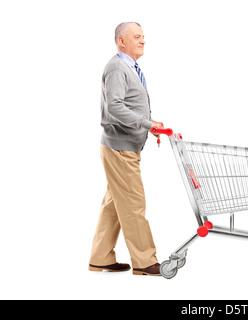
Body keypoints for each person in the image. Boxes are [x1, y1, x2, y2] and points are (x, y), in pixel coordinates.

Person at [88, 22, 163, 276]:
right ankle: (144, 261)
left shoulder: (128, 67)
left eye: (144, 37)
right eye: (137, 37)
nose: (143, 41)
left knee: (114, 203)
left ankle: (100, 257)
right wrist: (146, 124)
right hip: (120, 148)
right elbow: (115, 107)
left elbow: (126, 103)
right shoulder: (118, 68)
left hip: (122, 146)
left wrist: (147, 125)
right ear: (122, 41)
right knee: (133, 203)